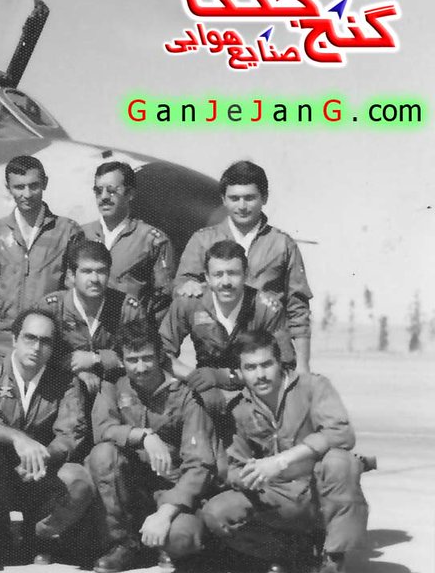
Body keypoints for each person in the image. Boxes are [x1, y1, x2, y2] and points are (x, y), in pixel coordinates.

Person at [200, 331, 369, 573]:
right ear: (240, 372)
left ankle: (334, 559)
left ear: (280, 363)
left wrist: (280, 461)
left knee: (340, 461)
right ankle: (294, 553)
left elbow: (341, 433)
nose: (260, 375)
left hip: (320, 492)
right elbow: (232, 466)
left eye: (267, 364)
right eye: (250, 368)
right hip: (279, 497)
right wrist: (248, 476)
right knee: (217, 512)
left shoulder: (313, 387)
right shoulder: (239, 409)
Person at [0, 308, 94, 566]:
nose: (36, 347)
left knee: (78, 479)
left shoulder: (66, 382)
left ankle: (39, 537)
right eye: (29, 338)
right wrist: (17, 439)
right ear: (15, 339)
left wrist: (43, 456)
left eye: (45, 341)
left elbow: (70, 434)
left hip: (40, 473)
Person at [86, 322, 217, 573]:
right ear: (121, 361)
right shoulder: (112, 386)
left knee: (181, 539)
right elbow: (102, 430)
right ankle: (122, 544)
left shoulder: (185, 396)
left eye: (147, 358)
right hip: (130, 488)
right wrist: (143, 436)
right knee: (102, 454)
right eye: (132, 360)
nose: (141, 367)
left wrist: (165, 514)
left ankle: (165, 543)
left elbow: (200, 464)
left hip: (170, 490)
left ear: (160, 357)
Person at [174, 160, 313, 371]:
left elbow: (298, 310)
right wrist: (188, 285)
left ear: (264, 198)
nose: (242, 206)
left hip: (266, 359)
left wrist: (303, 367)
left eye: (249, 198)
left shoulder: (282, 245)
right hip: (216, 358)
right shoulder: (202, 241)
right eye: (234, 198)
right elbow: (181, 288)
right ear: (223, 199)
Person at [160, 240, 295, 421]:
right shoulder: (189, 303)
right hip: (205, 388)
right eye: (218, 274)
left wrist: (225, 376)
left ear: (246, 274)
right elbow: (161, 352)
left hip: (253, 390)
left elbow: (284, 366)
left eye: (233, 273)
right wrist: (192, 376)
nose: (225, 282)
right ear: (207, 277)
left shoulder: (267, 308)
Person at [0, 155, 84, 355]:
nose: (27, 194)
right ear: (8, 188)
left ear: (45, 183)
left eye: (34, 186)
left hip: (47, 341)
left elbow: (75, 292)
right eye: (19, 187)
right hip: (2, 342)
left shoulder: (67, 231)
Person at [40, 240, 146, 397]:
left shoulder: (128, 308)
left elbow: (143, 355)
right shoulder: (52, 307)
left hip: (115, 388)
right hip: (63, 388)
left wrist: (97, 358)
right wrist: (77, 371)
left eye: (101, 271)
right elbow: (36, 353)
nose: (95, 279)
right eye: (87, 271)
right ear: (71, 275)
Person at [81, 161, 175, 324]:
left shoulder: (152, 240)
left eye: (112, 190)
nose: (104, 197)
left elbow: (164, 297)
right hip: (84, 332)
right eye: (98, 191)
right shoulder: (81, 235)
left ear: (129, 193)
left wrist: (142, 331)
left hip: (128, 332)